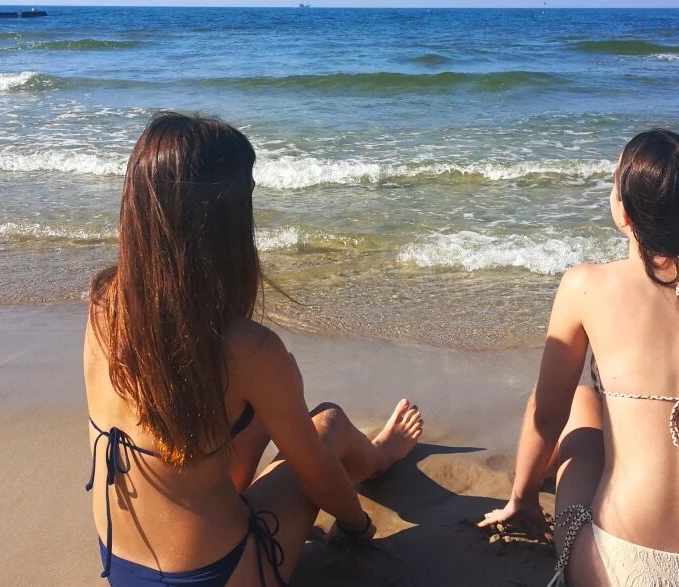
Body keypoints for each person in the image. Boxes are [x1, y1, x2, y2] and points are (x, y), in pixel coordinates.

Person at [84, 112, 424, 586]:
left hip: (121, 565)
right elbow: (317, 475)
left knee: (251, 411)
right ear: (224, 221)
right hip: (213, 576)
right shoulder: (247, 348)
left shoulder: (105, 301)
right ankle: (381, 456)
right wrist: (358, 527)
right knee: (326, 424)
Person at [480, 129, 679, 586]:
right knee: (594, 401)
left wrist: (521, 499)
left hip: (624, 565)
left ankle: (534, 492)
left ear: (624, 210)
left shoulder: (586, 284)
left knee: (579, 418)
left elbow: (545, 415)